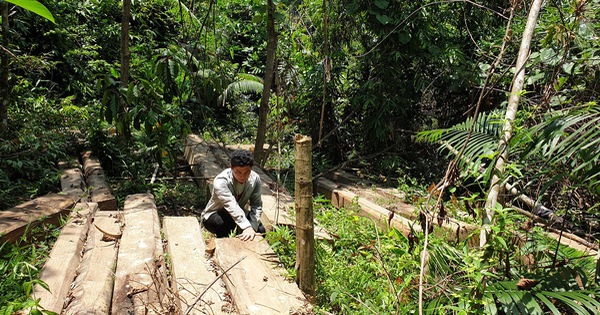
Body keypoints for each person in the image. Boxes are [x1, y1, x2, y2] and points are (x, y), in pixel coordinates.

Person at [202, 149, 265, 241]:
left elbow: (256, 204)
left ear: (251, 169)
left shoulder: (255, 179)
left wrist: (252, 227)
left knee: (260, 229)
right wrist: (246, 226)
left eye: (246, 172)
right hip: (215, 215)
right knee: (224, 224)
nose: (242, 176)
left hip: (238, 215)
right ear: (231, 167)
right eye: (238, 172)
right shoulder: (221, 181)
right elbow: (231, 204)